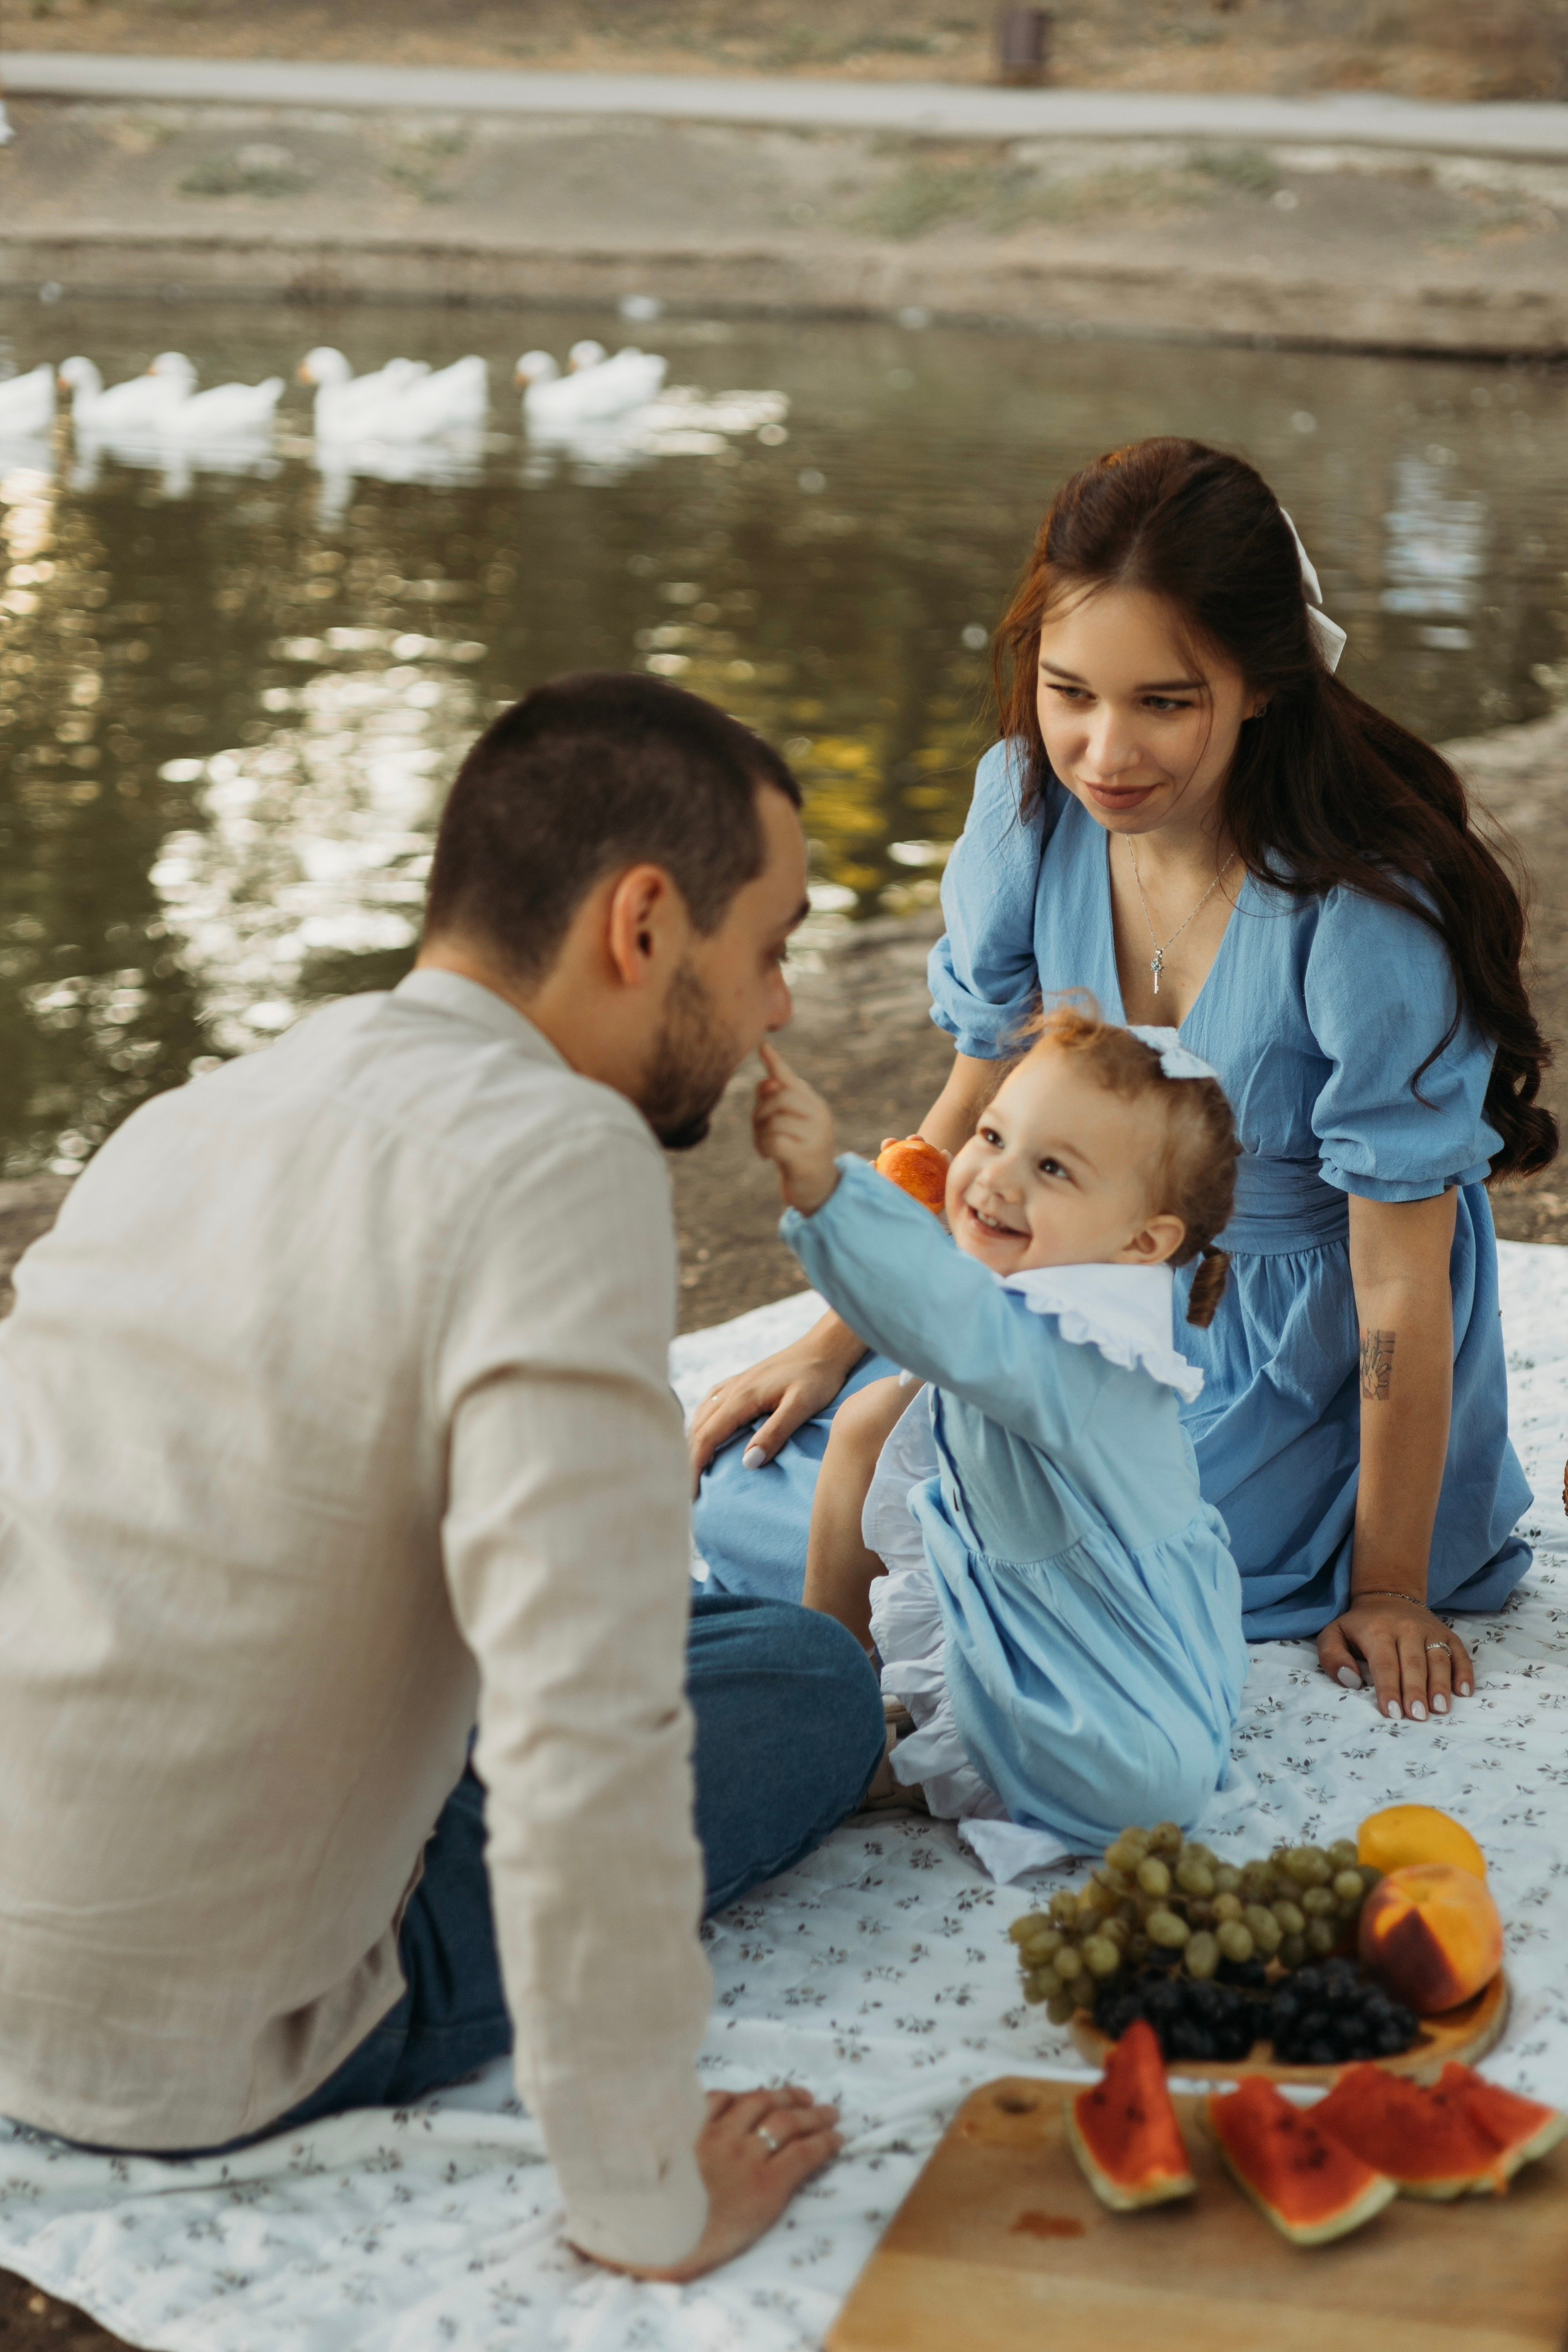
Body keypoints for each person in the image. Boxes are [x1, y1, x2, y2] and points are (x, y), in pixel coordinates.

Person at [0, 674, 885, 2282]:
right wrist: (640, 2193)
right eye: (768, 948)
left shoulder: (204, 1112)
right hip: (227, 2045)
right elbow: (581, 1725)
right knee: (813, 1681)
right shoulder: (561, 1155)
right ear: (641, 923)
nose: (777, 1010)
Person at [691, 437, 1555, 1728]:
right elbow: (972, 1108)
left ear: (1263, 684)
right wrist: (836, 1340)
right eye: (1068, 693)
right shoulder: (1029, 813)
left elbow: (1396, 1281)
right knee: (755, 1481)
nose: (1104, 750)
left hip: (1284, 1363)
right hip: (1075, 1289)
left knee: (1002, 1552)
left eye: (1163, 702)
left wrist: (1387, 1585)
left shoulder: (1361, 912)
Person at [750, 1007, 1247, 1857]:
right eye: (991, 1135)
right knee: (872, 1418)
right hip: (1084, 1619)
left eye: (1052, 1167)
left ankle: (866, 1745)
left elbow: (939, 1312)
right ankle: (832, 1678)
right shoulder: (1088, 1294)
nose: (995, 1178)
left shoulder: (1071, 1351)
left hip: (1108, 1738)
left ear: (1143, 1239)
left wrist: (829, 1195)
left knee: (882, 1428)